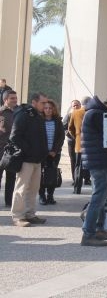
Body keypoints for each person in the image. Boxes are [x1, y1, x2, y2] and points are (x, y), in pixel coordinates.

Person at [80, 96, 107, 246]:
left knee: (102, 197)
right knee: (98, 197)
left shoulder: (94, 112)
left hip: (100, 159)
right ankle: (88, 233)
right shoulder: (96, 114)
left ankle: (98, 229)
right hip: (99, 161)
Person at [9, 93, 49, 227]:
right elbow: (15, 137)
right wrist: (28, 150)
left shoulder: (38, 115)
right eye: (43, 103)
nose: (45, 105)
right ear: (34, 102)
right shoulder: (23, 114)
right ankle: (18, 216)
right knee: (21, 188)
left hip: (37, 159)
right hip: (26, 159)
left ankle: (30, 214)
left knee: (33, 188)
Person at [38, 99, 65, 205]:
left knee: (52, 174)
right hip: (42, 153)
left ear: (53, 109)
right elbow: (37, 137)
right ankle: (41, 196)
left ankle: (50, 195)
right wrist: (44, 151)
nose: (48, 110)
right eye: (46, 108)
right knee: (40, 175)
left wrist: (55, 150)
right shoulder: (39, 120)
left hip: (54, 153)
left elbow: (61, 137)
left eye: (50, 108)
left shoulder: (58, 121)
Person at [0, 90, 19, 206]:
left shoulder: (19, 112)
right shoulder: (1, 113)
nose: (15, 100)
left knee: (11, 177)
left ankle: (9, 201)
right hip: (1, 149)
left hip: (13, 150)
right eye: (12, 98)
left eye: (16, 98)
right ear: (5, 100)